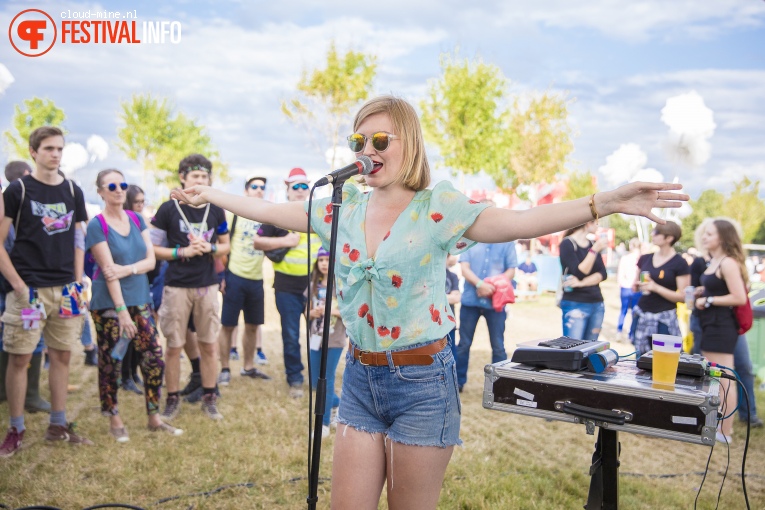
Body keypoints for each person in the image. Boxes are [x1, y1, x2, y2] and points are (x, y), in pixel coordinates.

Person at [171, 95, 686, 508]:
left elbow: (519, 220)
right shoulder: (344, 206)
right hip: (360, 377)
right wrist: (212, 194)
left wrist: (607, 202)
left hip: (421, 381)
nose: (366, 149)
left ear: (408, 143)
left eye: (379, 139)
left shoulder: (436, 204)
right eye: (358, 139)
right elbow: (276, 209)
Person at [0, 127, 93, 457]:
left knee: (63, 355)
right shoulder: (18, 189)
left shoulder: (72, 189)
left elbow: (79, 239)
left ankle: (58, 425)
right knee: (21, 358)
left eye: (59, 149)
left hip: (67, 290)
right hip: (31, 291)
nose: (55, 154)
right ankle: (16, 428)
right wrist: (19, 286)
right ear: (33, 151)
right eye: (49, 148)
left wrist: (79, 280)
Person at [86, 170, 182, 441]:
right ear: (101, 191)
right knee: (111, 361)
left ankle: (154, 416)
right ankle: (114, 417)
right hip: (109, 303)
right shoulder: (98, 224)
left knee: (154, 358)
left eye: (122, 185)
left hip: (140, 298)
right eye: (112, 186)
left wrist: (127, 269)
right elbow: (108, 272)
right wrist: (121, 312)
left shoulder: (137, 218)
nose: (119, 190)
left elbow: (151, 261)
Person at [151, 154, 230, 422]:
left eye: (205, 176)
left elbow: (226, 245)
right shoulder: (167, 209)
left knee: (209, 345)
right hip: (176, 286)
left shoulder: (216, 209)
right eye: (195, 176)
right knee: (174, 345)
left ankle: (210, 396)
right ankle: (172, 398)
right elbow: (152, 249)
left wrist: (210, 248)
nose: (200, 180)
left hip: (207, 285)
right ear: (182, 178)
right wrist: (182, 251)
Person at [253, 167, 319, 399]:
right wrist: (285, 240)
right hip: (286, 288)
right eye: (296, 187)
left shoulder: (318, 215)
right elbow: (257, 241)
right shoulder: (277, 214)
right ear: (287, 189)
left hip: (314, 288)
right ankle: (295, 379)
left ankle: (318, 376)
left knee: (317, 335)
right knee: (291, 335)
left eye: (304, 186)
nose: (301, 191)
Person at [0, 160, 50, 414]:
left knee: (21, 339)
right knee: (20, 340)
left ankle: (25, 394)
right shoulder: (13, 208)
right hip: (18, 287)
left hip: (20, 287)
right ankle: (22, 395)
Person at [694, 218, 749, 443]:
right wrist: (702, 291)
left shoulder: (728, 262)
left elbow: (738, 297)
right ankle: (717, 426)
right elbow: (718, 287)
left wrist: (708, 300)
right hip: (711, 324)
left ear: (723, 238)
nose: (705, 237)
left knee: (725, 378)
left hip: (722, 326)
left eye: (710, 234)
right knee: (715, 378)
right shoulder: (715, 260)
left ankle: (726, 432)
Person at [217, 176, 271, 386]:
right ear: (246, 190)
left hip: (256, 279)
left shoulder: (266, 215)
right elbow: (223, 243)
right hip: (235, 276)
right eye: (254, 187)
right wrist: (222, 276)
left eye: (262, 188)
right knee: (228, 325)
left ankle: (248, 366)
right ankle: (224, 368)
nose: (259, 190)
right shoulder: (236, 214)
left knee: (252, 325)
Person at [456, 217, 517, 392]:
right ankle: (458, 383)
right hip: (470, 300)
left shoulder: (507, 241)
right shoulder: (467, 239)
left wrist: (491, 285)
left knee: (498, 345)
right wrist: (480, 284)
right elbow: (464, 268)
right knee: (464, 344)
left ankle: (500, 386)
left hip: (495, 302)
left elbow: (511, 270)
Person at [630, 222, 689, 355]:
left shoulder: (679, 263)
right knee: (641, 359)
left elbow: (683, 297)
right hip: (643, 314)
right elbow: (635, 285)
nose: (653, 235)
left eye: (657, 232)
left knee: (665, 357)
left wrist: (656, 287)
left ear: (669, 238)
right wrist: (637, 286)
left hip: (665, 318)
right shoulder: (645, 258)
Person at [307, 247, 346, 439]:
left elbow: (349, 311)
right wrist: (311, 313)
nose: (324, 263)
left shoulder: (340, 286)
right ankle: (338, 403)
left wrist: (330, 311)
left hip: (334, 338)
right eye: (320, 260)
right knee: (315, 380)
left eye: (327, 260)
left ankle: (322, 424)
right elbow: (307, 310)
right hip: (315, 338)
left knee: (327, 378)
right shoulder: (313, 285)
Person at [116, 184, 146, 396]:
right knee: (124, 334)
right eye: (138, 202)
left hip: (142, 286)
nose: (141, 206)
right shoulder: (112, 225)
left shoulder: (140, 223)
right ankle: (124, 375)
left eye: (143, 202)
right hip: (121, 288)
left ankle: (133, 373)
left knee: (139, 335)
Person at [559, 221, 608, 341]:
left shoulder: (592, 243)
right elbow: (579, 272)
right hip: (575, 304)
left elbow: (603, 274)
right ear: (587, 223)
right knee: (573, 349)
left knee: (591, 350)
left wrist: (581, 283)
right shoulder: (567, 243)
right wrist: (594, 250)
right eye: (596, 222)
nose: (598, 225)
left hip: (597, 304)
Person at [616, 238, 641, 341]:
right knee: (635, 312)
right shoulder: (641, 258)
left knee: (623, 311)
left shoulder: (625, 258)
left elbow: (620, 274)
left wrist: (620, 284)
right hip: (637, 288)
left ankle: (619, 331)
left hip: (625, 287)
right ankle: (631, 334)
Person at [445, 254, 460, 360]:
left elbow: (456, 298)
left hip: (449, 323)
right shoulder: (431, 275)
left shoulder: (452, 276)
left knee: (452, 355)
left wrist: (436, 296)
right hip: (434, 325)